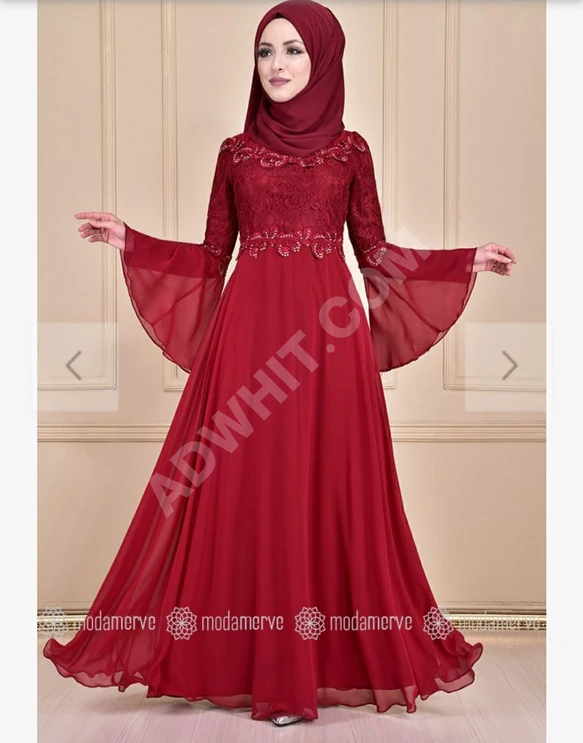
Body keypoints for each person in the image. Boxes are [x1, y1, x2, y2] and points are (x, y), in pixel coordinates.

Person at [43, 0, 516, 728]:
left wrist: (462, 261)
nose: (277, 65)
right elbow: (211, 256)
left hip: (329, 349)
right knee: (250, 490)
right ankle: (248, 665)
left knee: (326, 486)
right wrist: (132, 242)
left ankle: (316, 667)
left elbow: (376, 254)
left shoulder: (350, 152)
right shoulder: (235, 152)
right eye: (265, 51)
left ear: (323, 58)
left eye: (293, 50)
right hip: (248, 339)